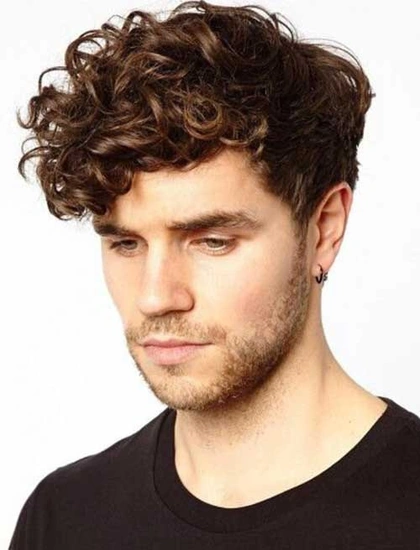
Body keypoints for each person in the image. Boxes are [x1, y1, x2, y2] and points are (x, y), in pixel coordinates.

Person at [9, 1, 420, 548]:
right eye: (126, 244)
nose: (156, 296)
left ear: (323, 229)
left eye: (212, 241)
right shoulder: (64, 517)